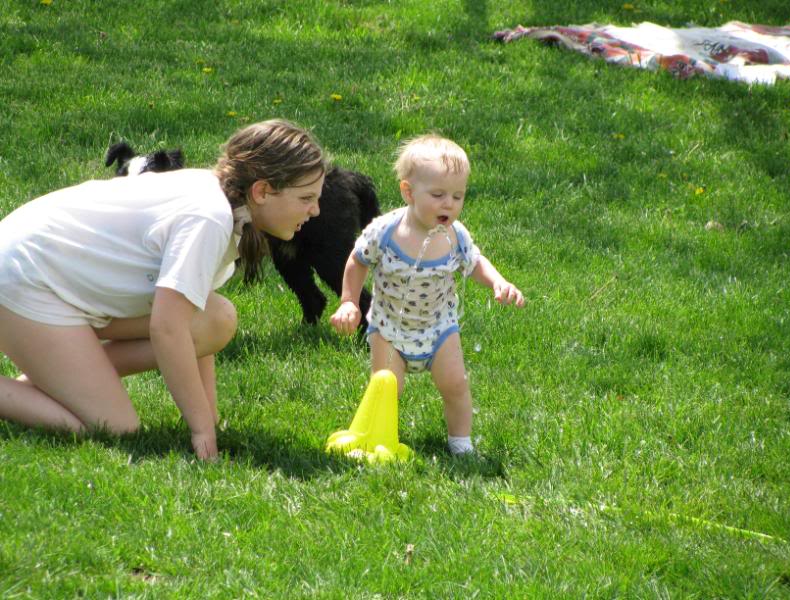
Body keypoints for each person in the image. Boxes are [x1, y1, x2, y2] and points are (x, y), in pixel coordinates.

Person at [0, 119, 327, 461]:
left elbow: (185, 316)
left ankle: (63, 377)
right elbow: (167, 329)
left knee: (216, 318)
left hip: (62, 287)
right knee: (114, 427)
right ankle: (57, 380)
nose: (315, 210)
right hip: (22, 281)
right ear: (262, 192)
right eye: (306, 198)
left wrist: (210, 417)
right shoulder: (210, 218)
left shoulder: (224, 204)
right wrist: (201, 430)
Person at [330, 134, 525, 455]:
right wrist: (349, 301)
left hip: (438, 328)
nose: (449, 204)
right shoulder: (385, 231)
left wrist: (497, 282)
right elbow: (358, 259)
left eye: (458, 196)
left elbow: (474, 262)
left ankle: (461, 443)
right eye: (438, 194)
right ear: (408, 192)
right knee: (387, 387)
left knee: (456, 385)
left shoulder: (454, 236)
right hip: (389, 328)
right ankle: (379, 436)